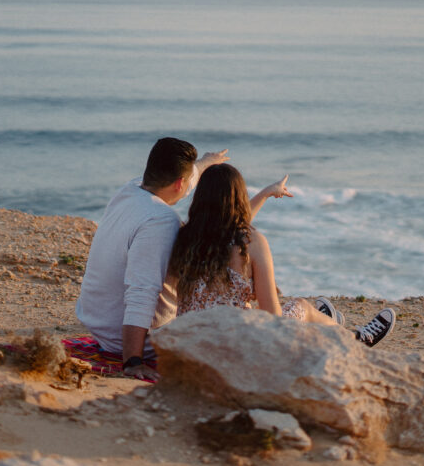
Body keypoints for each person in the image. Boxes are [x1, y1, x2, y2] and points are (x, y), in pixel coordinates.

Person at [75, 138, 293, 381]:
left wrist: (206, 163)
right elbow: (141, 293)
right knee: (296, 311)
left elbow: (221, 224)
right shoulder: (160, 222)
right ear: (180, 182)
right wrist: (133, 362)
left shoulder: (130, 190)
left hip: (98, 322)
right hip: (131, 339)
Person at [169, 163, 396, 347]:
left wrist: (266, 193)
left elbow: (226, 229)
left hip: (190, 345)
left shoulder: (185, 238)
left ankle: (325, 324)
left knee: (267, 312)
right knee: (301, 307)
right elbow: (273, 319)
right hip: (237, 348)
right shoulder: (252, 242)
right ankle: (356, 339)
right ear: (239, 197)